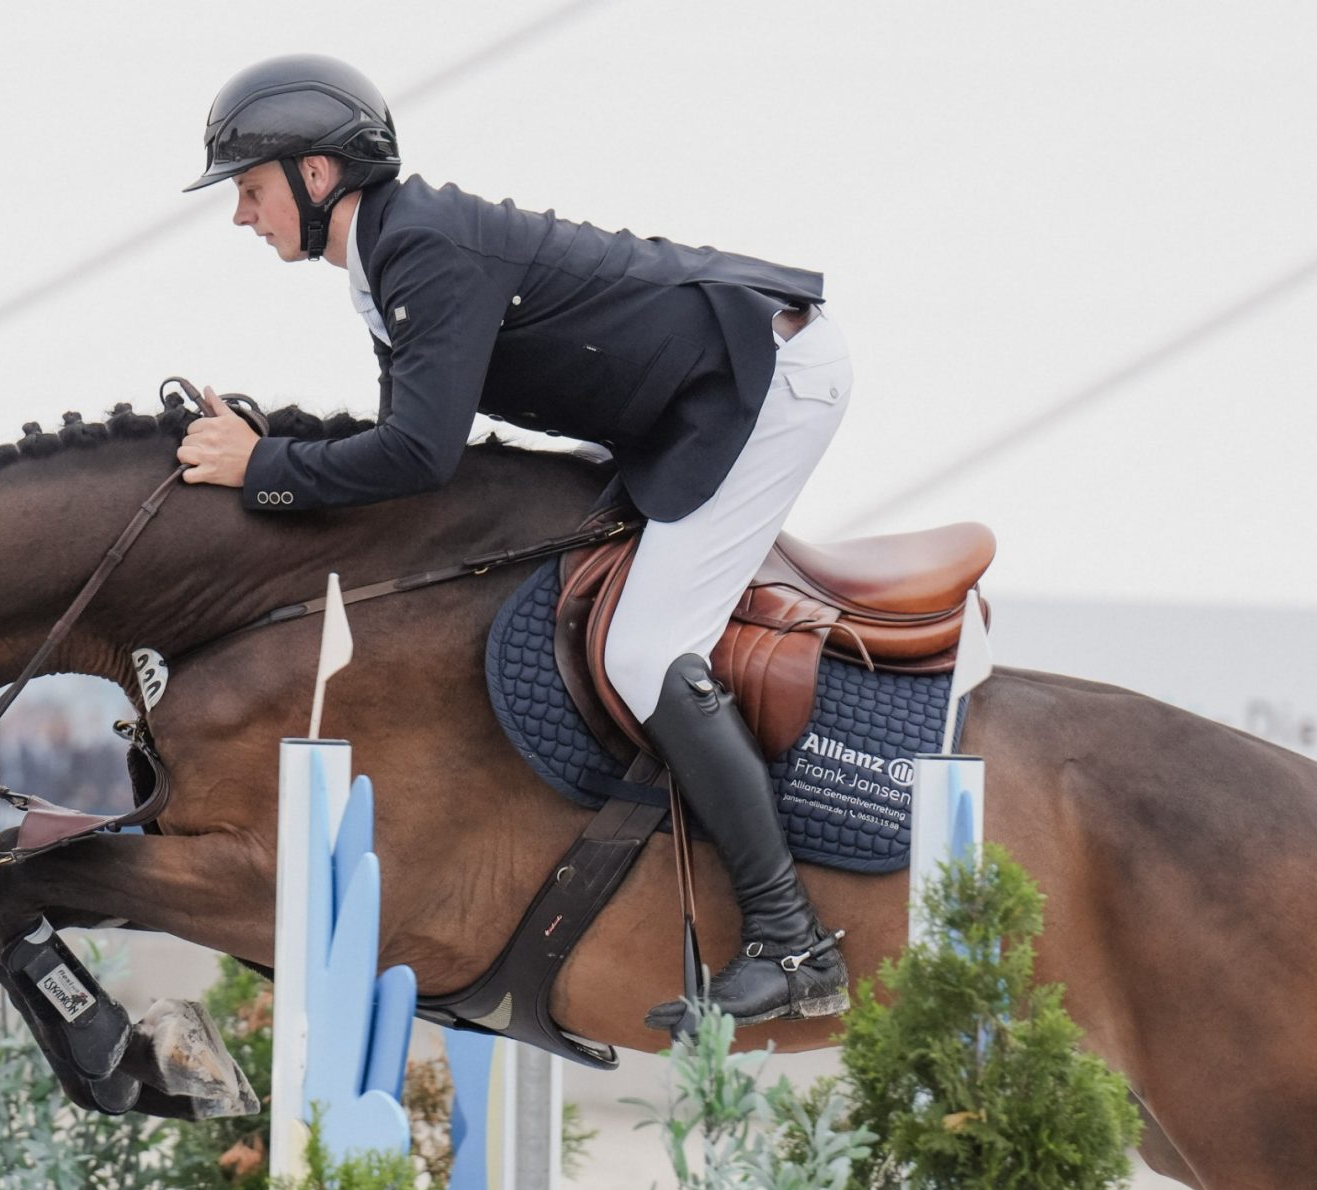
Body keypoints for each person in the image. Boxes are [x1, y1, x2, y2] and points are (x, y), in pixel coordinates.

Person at [173, 54, 853, 1029]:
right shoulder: (390, 256)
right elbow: (407, 436)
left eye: (248, 189)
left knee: (643, 647)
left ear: (316, 176)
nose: (242, 214)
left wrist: (264, 468)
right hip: (688, 403)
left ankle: (794, 938)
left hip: (769, 382)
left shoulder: (423, 249)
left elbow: (416, 455)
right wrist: (270, 456)